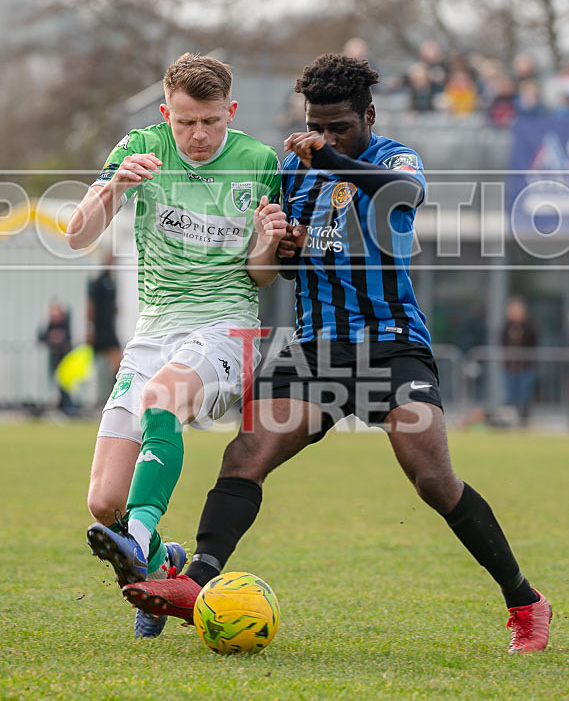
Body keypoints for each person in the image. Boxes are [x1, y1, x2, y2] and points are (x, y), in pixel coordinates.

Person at [122, 53, 552, 654]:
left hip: (391, 345)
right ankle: (195, 583)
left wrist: (324, 157)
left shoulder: (394, 159)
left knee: (432, 479)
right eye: (315, 127)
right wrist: (284, 244)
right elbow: (289, 262)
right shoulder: (292, 173)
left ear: (368, 116)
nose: (322, 138)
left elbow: (398, 197)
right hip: (316, 350)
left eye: (338, 127)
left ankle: (525, 601)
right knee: (245, 455)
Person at [65, 52, 284, 639]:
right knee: (102, 502)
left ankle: (136, 542)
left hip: (226, 330)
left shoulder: (261, 163)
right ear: (167, 113)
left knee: (164, 399)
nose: (198, 134)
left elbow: (263, 276)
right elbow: (78, 234)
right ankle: (161, 563)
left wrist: (266, 242)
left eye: (211, 121)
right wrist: (113, 188)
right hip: (153, 332)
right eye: (185, 122)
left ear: (230, 112)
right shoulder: (140, 147)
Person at [87, 253, 122, 406]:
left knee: (117, 363)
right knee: (88, 363)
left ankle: (116, 397)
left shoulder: (112, 282)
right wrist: (90, 327)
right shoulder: (99, 281)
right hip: (100, 329)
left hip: (109, 328)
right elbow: (90, 304)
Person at [501, 298, 538, 426]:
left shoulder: (529, 326)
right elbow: (501, 341)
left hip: (525, 366)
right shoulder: (506, 326)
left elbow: (534, 343)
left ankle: (524, 420)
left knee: (524, 394)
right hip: (510, 366)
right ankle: (511, 421)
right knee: (511, 395)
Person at [37, 300, 74, 415]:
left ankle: (69, 408)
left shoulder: (66, 324)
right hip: (54, 359)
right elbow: (41, 338)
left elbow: (68, 339)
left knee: (65, 385)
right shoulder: (50, 324)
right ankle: (63, 407)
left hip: (66, 359)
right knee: (56, 383)